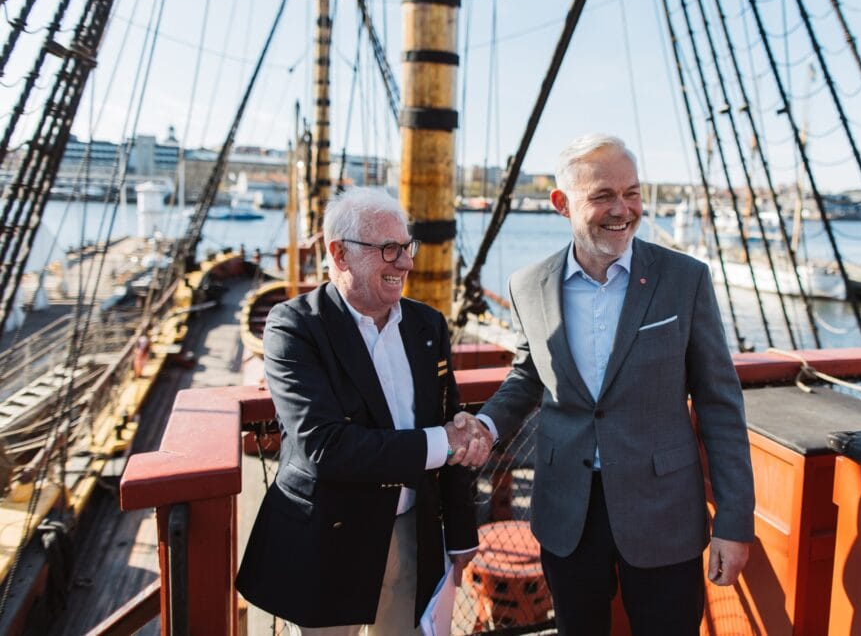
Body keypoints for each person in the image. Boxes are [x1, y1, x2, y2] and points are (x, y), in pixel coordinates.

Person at [468, 134, 755, 635]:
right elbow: (528, 373)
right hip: (567, 510)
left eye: (632, 193)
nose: (622, 210)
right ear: (562, 203)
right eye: (603, 196)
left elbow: (719, 403)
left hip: (664, 511)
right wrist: (486, 425)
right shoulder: (529, 285)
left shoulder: (684, 279)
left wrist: (734, 521)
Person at [237, 187, 488, 634]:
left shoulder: (427, 324)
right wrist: (443, 443)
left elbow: (447, 420)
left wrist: (461, 533)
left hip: (412, 533)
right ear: (340, 253)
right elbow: (325, 446)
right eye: (389, 249)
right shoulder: (295, 326)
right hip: (328, 542)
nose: (406, 263)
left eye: (407, 247)